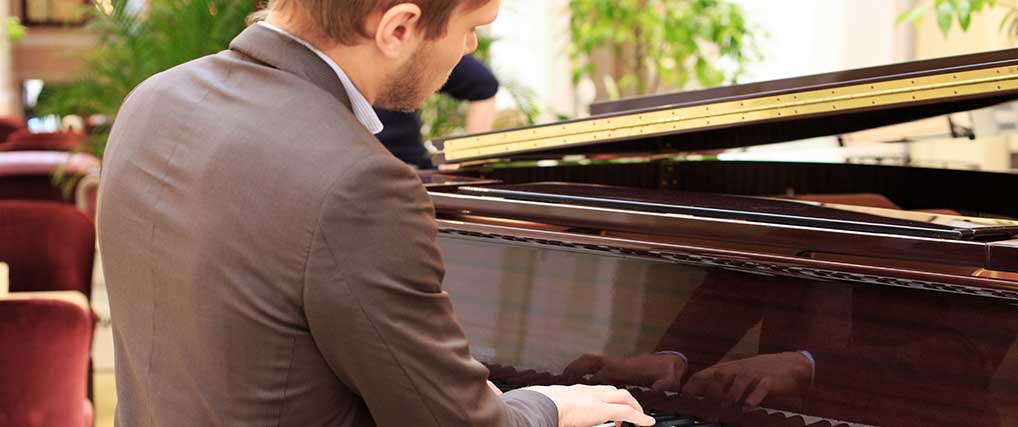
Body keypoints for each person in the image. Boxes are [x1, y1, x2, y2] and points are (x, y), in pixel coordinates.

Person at [96, 1, 655, 426]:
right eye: (472, 28)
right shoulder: (361, 181)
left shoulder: (154, 98)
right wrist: (549, 404)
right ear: (399, 28)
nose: (468, 48)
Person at [375, 55, 497, 168]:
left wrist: (470, 158)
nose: (472, 45)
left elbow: (483, 84)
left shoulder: (408, 50)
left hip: (405, 170)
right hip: (402, 170)